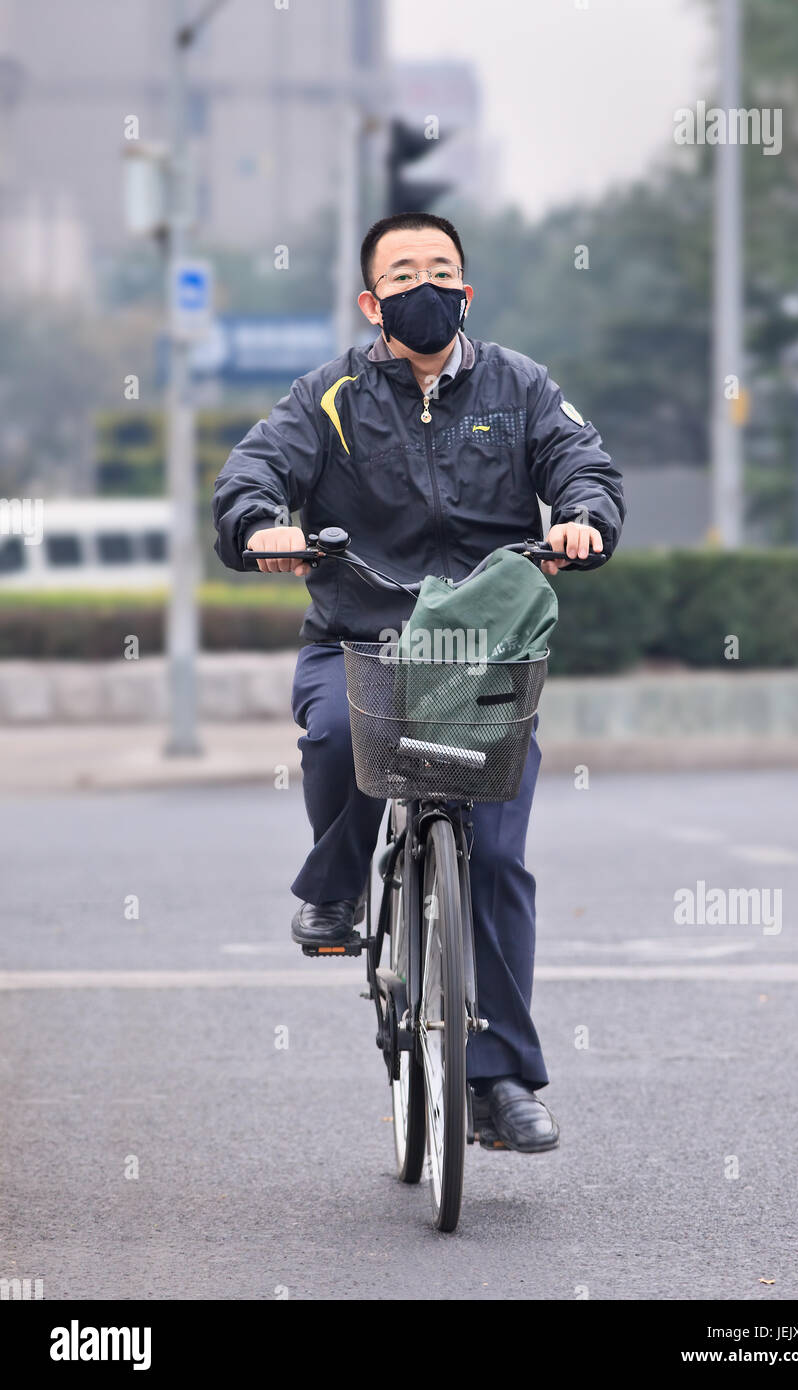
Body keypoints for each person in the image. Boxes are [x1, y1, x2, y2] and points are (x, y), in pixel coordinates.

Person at [212, 212, 625, 1152]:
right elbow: (253, 472)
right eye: (404, 271)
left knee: (499, 855)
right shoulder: (330, 396)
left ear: (467, 291)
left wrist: (583, 518)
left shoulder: (521, 387)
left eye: (442, 268)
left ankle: (502, 1080)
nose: (424, 283)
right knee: (334, 737)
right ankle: (337, 886)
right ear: (372, 301)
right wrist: (261, 526)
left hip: (482, 656)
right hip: (360, 639)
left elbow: (584, 465)